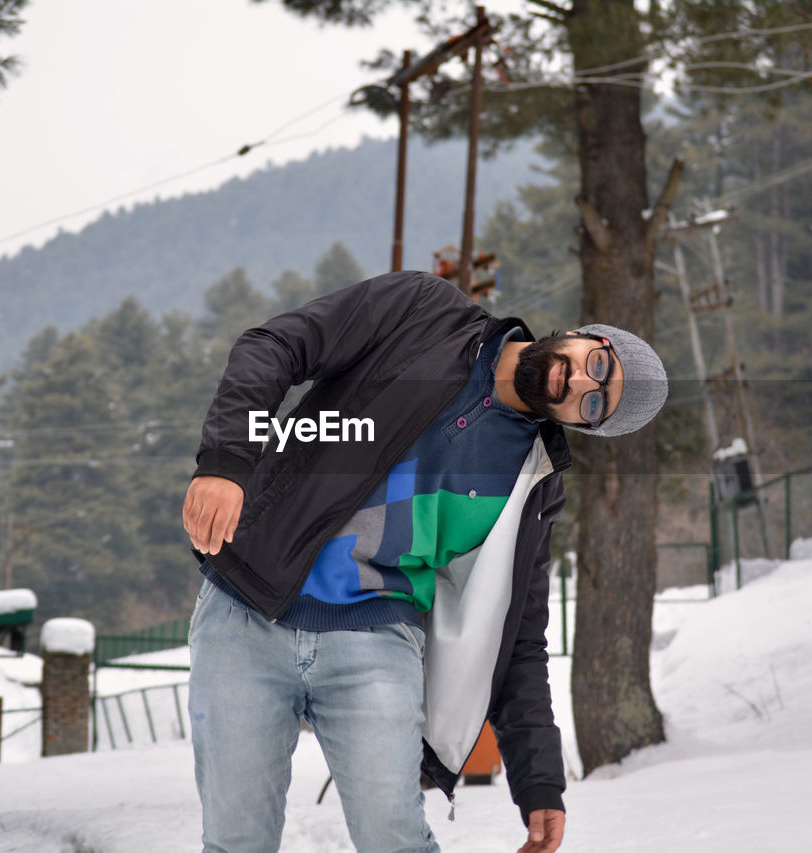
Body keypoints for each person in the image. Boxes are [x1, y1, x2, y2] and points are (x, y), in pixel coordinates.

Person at [182, 269, 667, 853]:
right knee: (236, 841)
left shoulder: (533, 484)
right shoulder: (424, 310)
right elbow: (276, 345)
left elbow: (515, 639)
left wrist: (539, 781)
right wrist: (225, 461)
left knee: (396, 840)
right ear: (590, 336)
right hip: (246, 611)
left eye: (595, 404)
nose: (580, 382)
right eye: (600, 364)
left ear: (582, 426)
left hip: (375, 641)